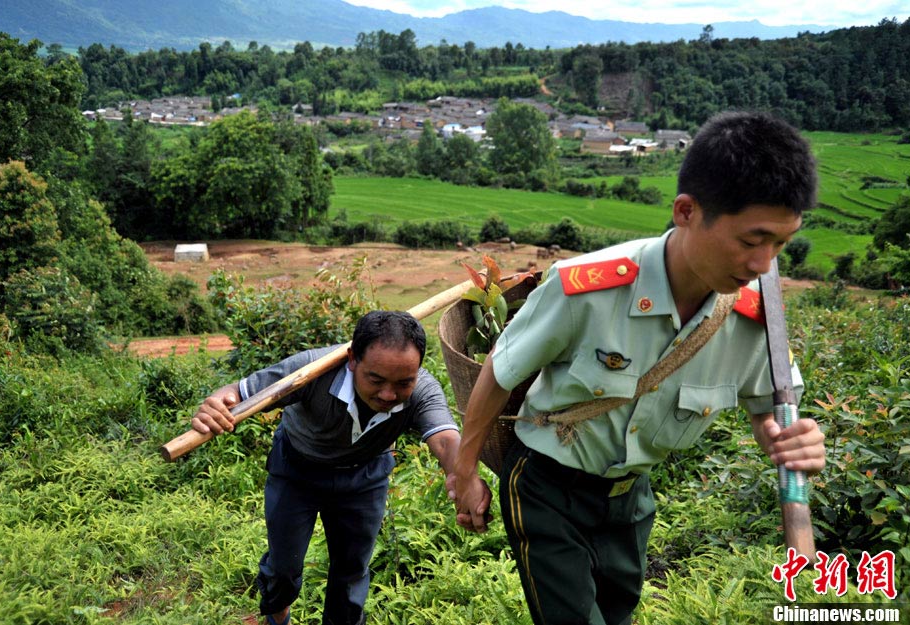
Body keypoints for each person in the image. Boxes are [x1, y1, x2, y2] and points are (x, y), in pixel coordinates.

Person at [449, 111, 828, 625]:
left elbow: (767, 411)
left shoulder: (757, 321)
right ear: (687, 211)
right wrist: (466, 469)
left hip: (631, 500)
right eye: (750, 240)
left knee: (619, 613)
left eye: (781, 245)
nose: (764, 265)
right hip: (548, 486)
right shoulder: (586, 289)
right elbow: (502, 370)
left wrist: (786, 439)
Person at [192, 310, 467, 625]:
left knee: (351, 572)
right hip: (297, 471)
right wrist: (215, 405)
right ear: (352, 359)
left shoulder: (423, 390)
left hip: (365, 476)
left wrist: (463, 475)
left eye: (403, 382)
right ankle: (277, 616)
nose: (389, 395)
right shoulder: (310, 369)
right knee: (283, 567)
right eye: (375, 380)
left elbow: (446, 439)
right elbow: (237, 394)